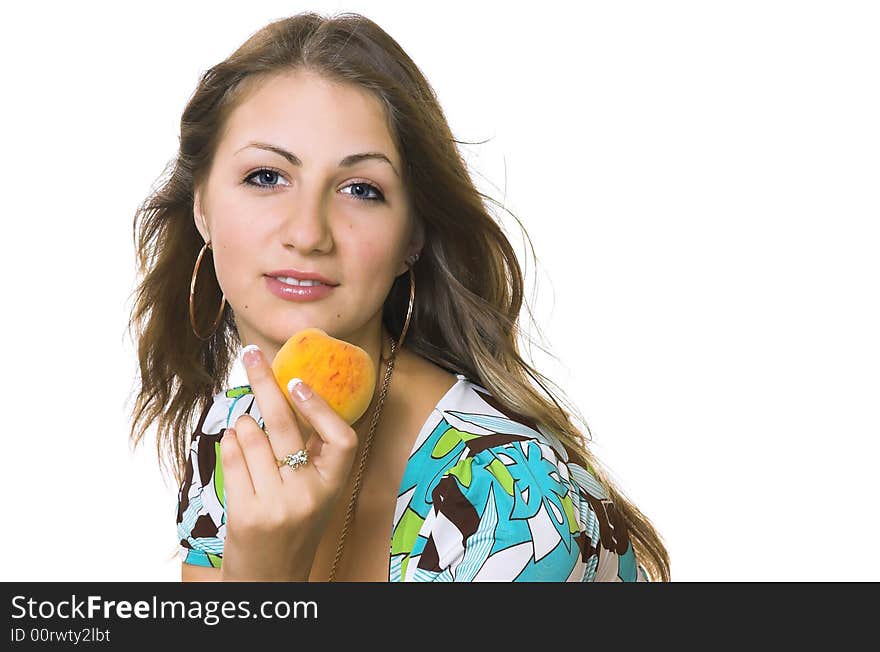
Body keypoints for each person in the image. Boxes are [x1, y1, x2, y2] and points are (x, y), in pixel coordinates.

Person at [128, 11, 670, 582]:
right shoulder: (233, 436)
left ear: (412, 236)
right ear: (202, 207)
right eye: (266, 176)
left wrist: (265, 579)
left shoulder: (510, 500)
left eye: (361, 189)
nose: (308, 233)